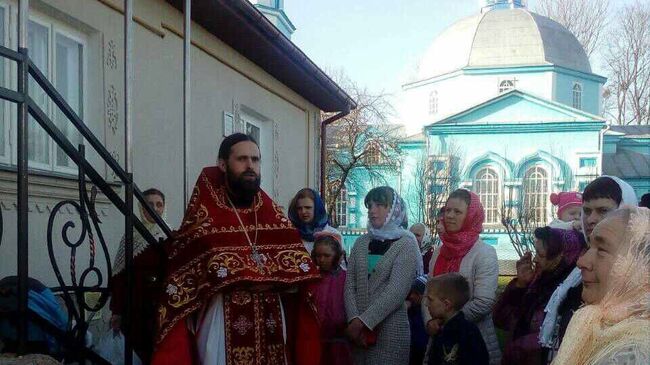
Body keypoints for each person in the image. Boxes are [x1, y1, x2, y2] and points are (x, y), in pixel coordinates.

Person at [151, 133, 321, 365]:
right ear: (223, 164)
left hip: (271, 319)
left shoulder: (274, 217)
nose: (250, 165)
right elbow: (183, 281)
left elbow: (299, 277)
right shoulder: (205, 218)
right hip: (222, 320)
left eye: (255, 159)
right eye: (242, 159)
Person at [539, 176, 637, 363]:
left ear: (626, 210)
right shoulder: (580, 262)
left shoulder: (633, 272)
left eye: (603, 211)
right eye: (586, 211)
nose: (591, 219)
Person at [553, 206, 650, 364]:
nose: (581, 262)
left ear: (642, 266)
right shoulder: (602, 327)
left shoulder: (632, 355)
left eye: (602, 250)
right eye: (589, 247)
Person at [344, 186, 421, 364]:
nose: (372, 210)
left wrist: (362, 322)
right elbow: (349, 285)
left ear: (393, 210)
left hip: (390, 331)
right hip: (358, 335)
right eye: (369, 206)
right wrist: (353, 318)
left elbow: (396, 292)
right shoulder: (361, 243)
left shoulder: (406, 244)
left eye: (379, 205)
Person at [423, 189, 501, 364]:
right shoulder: (439, 252)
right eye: (447, 210)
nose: (449, 215)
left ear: (471, 216)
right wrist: (429, 322)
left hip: (473, 344)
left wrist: (447, 320)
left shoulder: (484, 253)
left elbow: (483, 302)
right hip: (439, 341)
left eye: (457, 212)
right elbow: (428, 293)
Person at [493, 227, 583, 365]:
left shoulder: (572, 291)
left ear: (561, 256)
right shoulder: (538, 282)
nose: (534, 259)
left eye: (540, 254)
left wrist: (521, 345)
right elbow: (501, 319)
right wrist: (520, 284)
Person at [109, 187, 168, 363]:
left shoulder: (170, 235)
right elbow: (119, 276)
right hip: (134, 305)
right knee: (135, 351)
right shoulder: (130, 237)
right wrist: (117, 311)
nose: (155, 208)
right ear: (141, 207)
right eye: (149, 204)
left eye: (159, 204)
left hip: (161, 305)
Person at [425, 273, 489, 365]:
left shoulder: (467, 332)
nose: (426, 304)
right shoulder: (439, 328)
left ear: (447, 304)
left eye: (430, 300)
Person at [309, 231, 353, 365]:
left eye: (326, 256)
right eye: (318, 256)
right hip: (316, 342)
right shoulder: (311, 279)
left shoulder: (347, 278)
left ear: (338, 256)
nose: (321, 260)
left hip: (341, 343)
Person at [288, 188, 342, 254]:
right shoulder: (291, 234)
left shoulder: (332, 234)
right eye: (299, 208)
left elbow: (341, 262)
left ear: (317, 208)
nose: (303, 211)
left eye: (308, 207)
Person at [407, 275, 429, 365]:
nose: (411, 296)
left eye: (416, 293)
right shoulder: (411, 310)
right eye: (411, 293)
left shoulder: (428, 315)